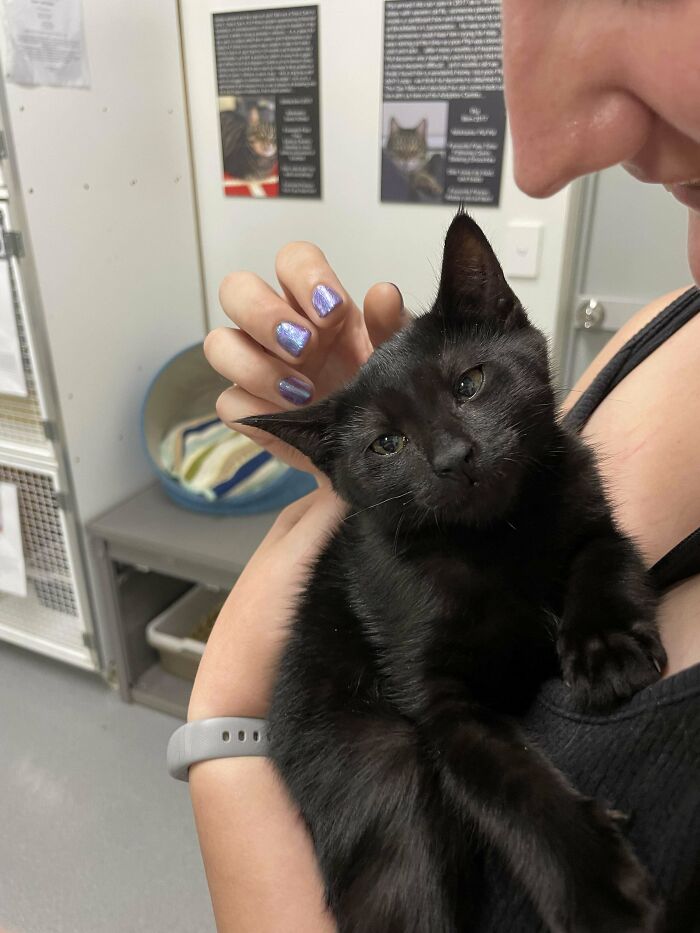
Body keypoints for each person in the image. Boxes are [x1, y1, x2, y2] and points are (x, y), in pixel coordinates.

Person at [188, 2, 700, 930]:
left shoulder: (563, 463)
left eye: (469, 385)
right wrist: (357, 446)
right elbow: (456, 700)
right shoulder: (658, 337)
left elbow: (589, 547)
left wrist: (222, 703)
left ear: (505, 319)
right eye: (390, 444)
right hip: (347, 704)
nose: (455, 449)